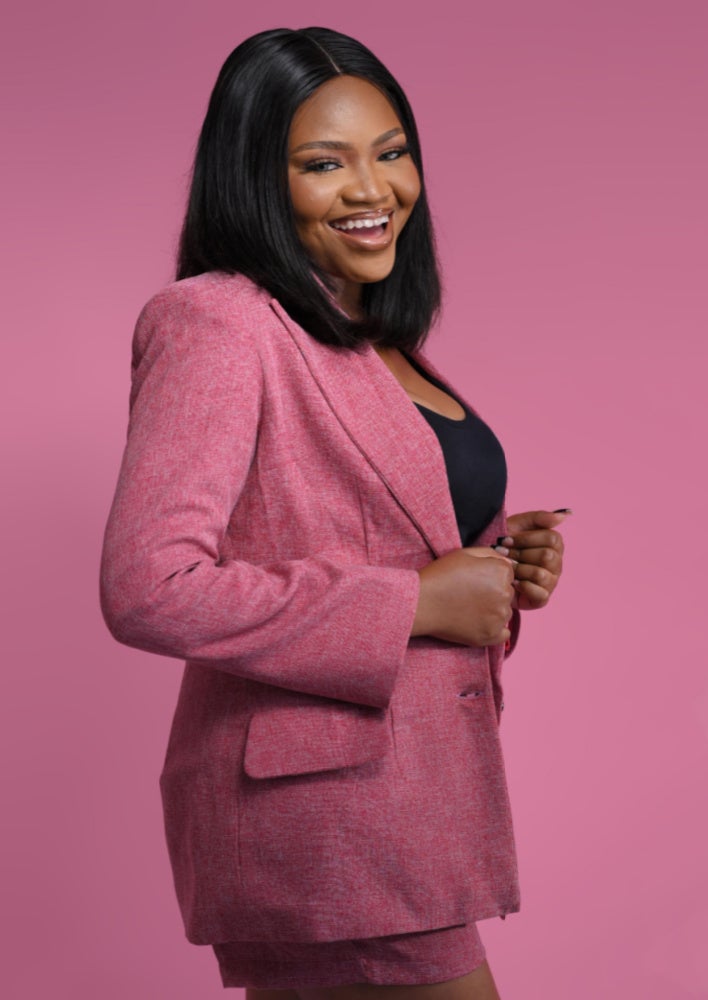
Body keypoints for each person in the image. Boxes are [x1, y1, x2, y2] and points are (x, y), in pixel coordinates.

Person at [99, 26, 568, 1000]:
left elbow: (367, 530)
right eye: (324, 163)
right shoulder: (221, 318)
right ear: (257, 181)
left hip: (410, 806)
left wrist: (495, 563)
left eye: (391, 153)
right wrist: (416, 600)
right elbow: (150, 585)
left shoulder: (368, 338)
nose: (372, 188)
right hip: (331, 819)